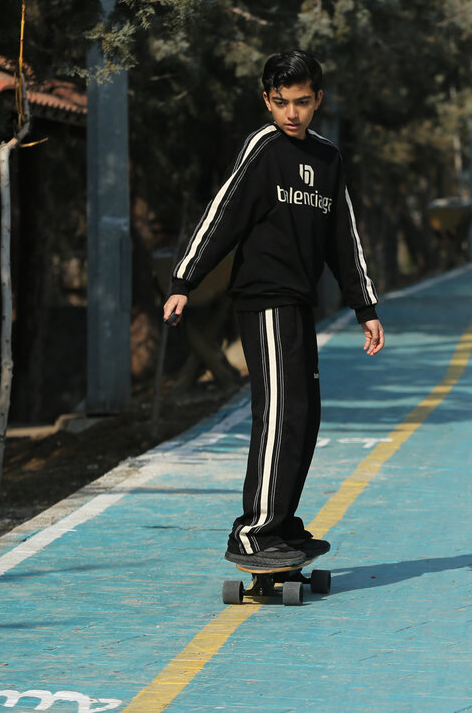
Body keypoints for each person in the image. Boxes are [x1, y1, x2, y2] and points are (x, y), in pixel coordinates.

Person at [163, 50, 384, 571]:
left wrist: (365, 306)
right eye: (281, 102)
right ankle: (253, 532)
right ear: (267, 101)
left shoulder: (328, 158)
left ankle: (281, 523)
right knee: (280, 412)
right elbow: (223, 212)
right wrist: (184, 280)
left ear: (318, 100)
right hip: (263, 299)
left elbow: (343, 239)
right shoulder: (264, 148)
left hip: (299, 302)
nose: (292, 113)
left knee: (304, 416)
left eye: (302, 102)